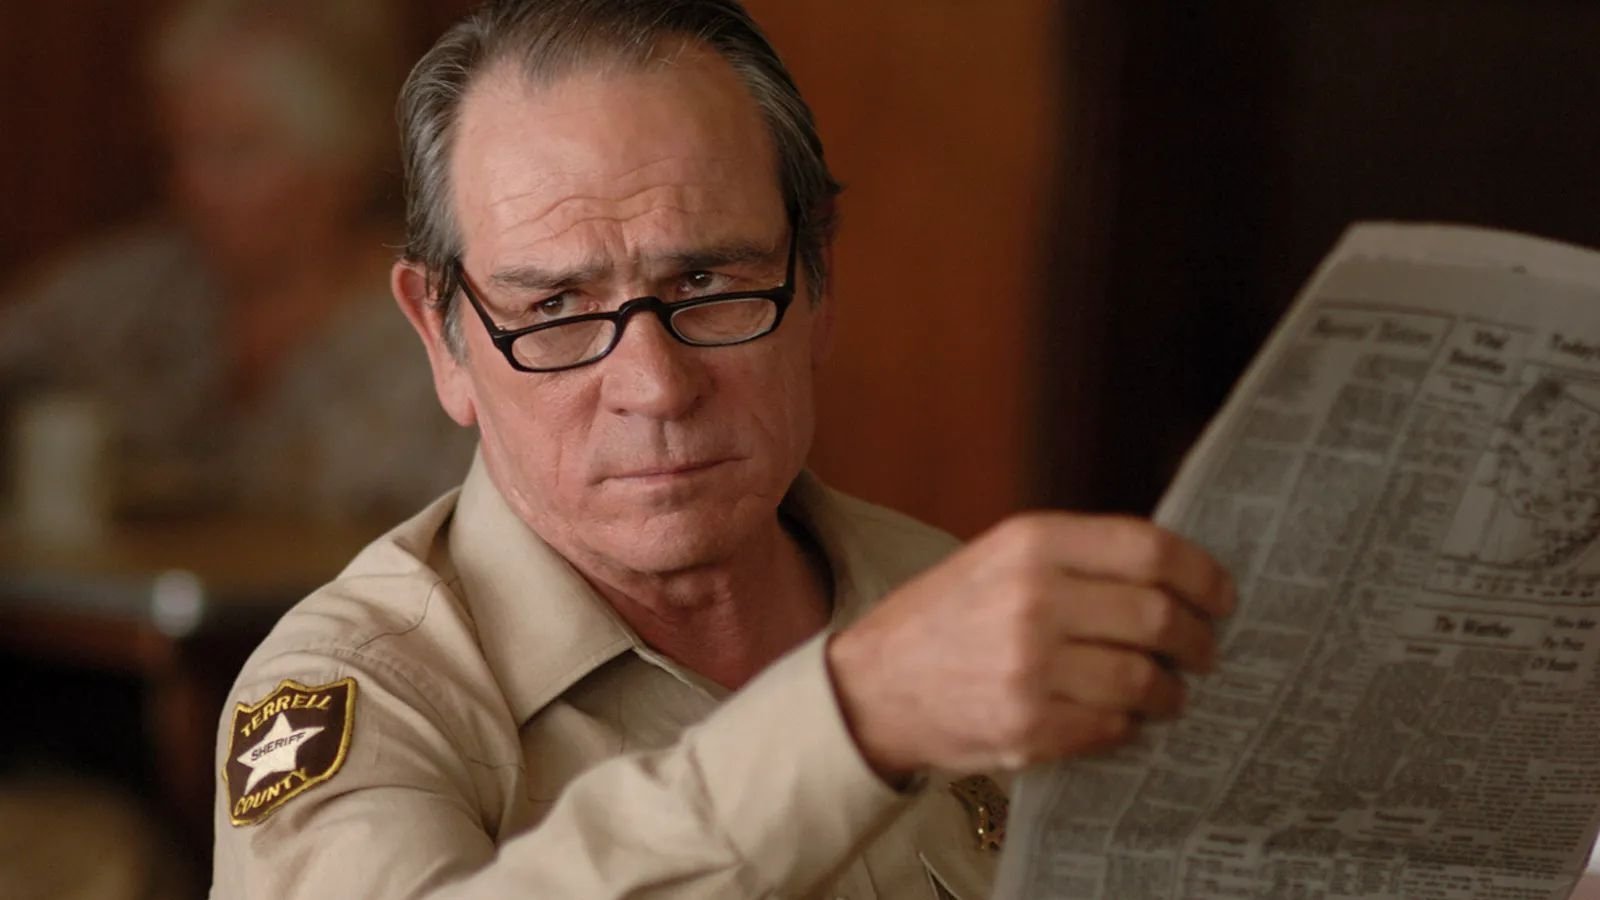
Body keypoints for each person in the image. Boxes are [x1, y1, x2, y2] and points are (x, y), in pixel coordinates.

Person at [210, 1, 1235, 897]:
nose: (655, 387)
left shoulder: (944, 594)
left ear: (818, 282)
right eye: (556, 307)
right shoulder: (367, 692)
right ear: (443, 339)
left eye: (707, 284)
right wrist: (854, 719)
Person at [0, 0, 473, 523]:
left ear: (341, 160)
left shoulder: (435, 330)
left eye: (237, 151)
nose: (193, 185)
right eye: (180, 149)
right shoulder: (134, 292)